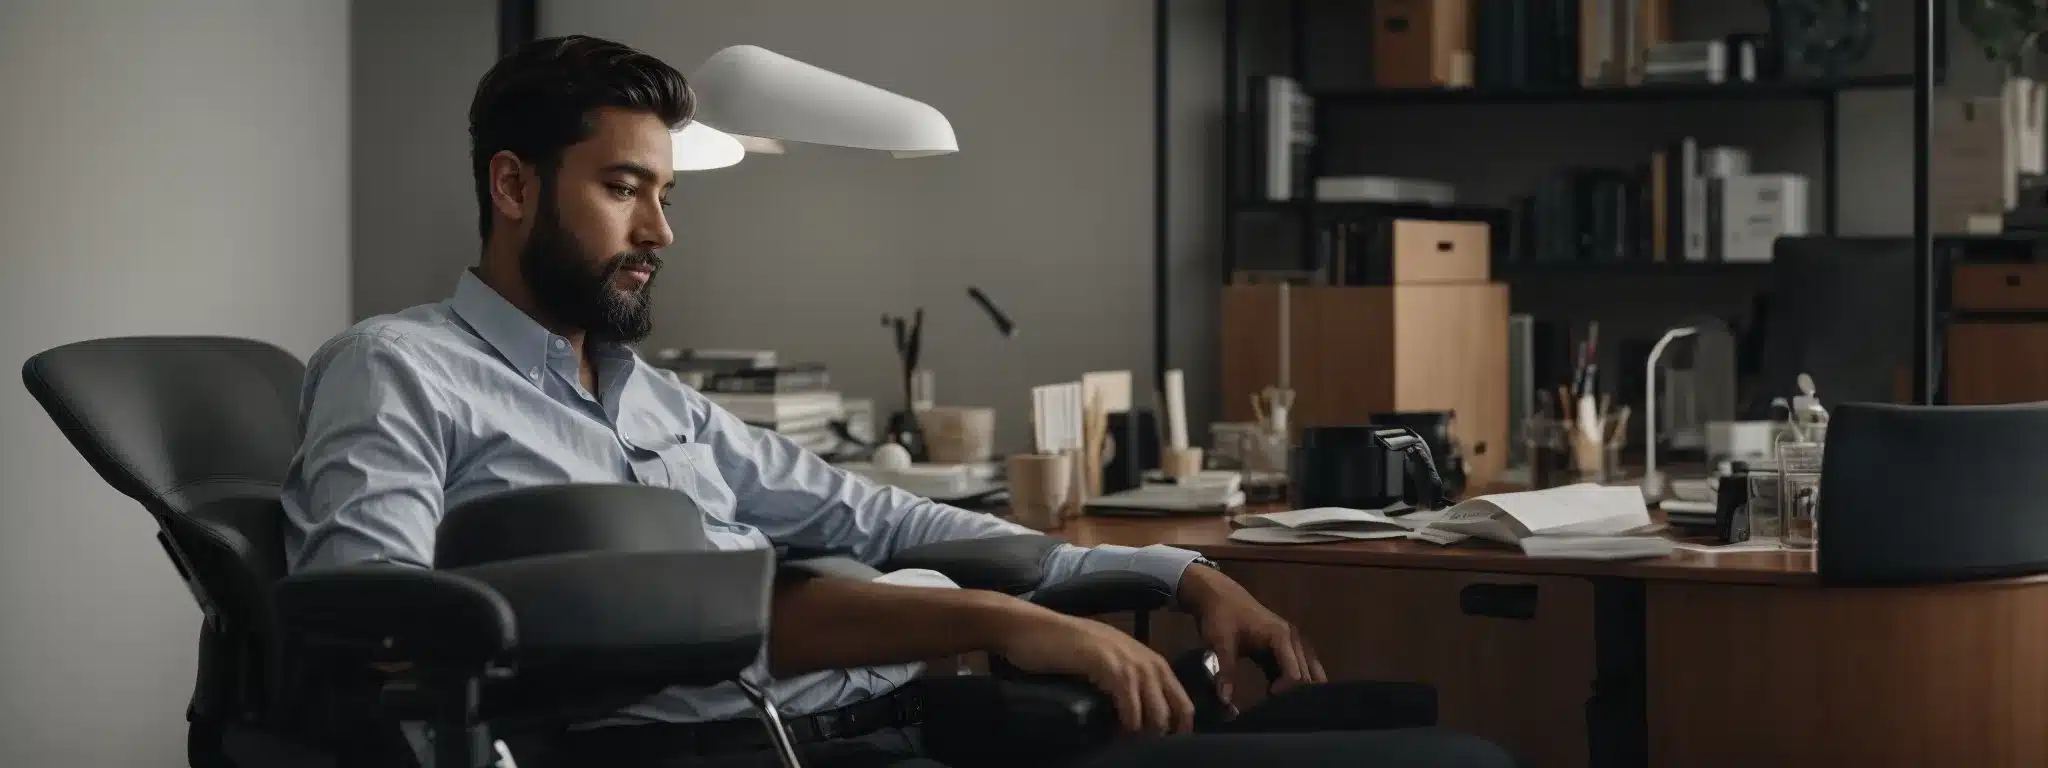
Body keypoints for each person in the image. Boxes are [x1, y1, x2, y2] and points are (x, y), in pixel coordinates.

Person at [280, 33, 1516, 768]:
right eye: (622, 188)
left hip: (915, 713)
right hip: (755, 750)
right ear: (510, 184)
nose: (660, 228)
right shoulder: (399, 368)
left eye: (666, 192)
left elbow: (885, 523)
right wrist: (977, 618)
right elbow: (372, 626)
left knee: (1420, 727)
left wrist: (1171, 582)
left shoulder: (652, 397)